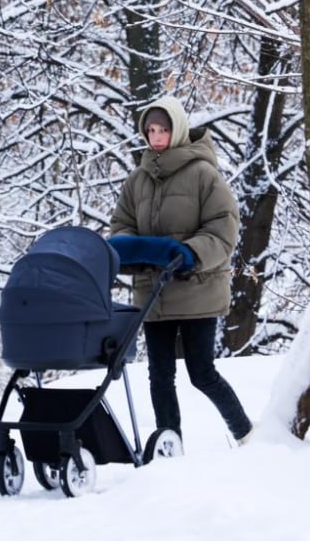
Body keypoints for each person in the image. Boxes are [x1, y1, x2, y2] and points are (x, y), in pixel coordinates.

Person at [108, 96, 253, 445]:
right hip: (153, 291)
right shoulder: (137, 180)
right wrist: (134, 250)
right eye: (151, 130)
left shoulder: (203, 173)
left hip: (196, 288)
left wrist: (189, 253)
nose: (156, 137)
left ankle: (246, 434)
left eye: (163, 130)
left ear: (177, 130)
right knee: (159, 375)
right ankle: (169, 444)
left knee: (201, 372)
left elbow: (223, 226)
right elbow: (121, 225)